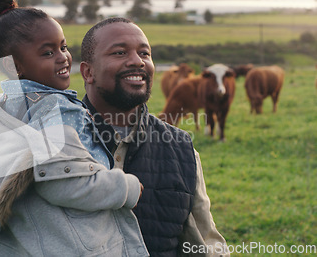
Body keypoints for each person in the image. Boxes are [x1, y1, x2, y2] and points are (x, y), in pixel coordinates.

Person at [0, 0, 149, 256]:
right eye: (47, 52)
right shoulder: (57, 109)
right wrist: (127, 187)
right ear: (16, 67)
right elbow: (64, 183)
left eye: (63, 47)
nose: (63, 57)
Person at [79, 17, 230, 257]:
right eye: (119, 53)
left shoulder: (183, 151)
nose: (137, 61)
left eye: (145, 53)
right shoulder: (57, 141)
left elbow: (206, 243)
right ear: (88, 72)